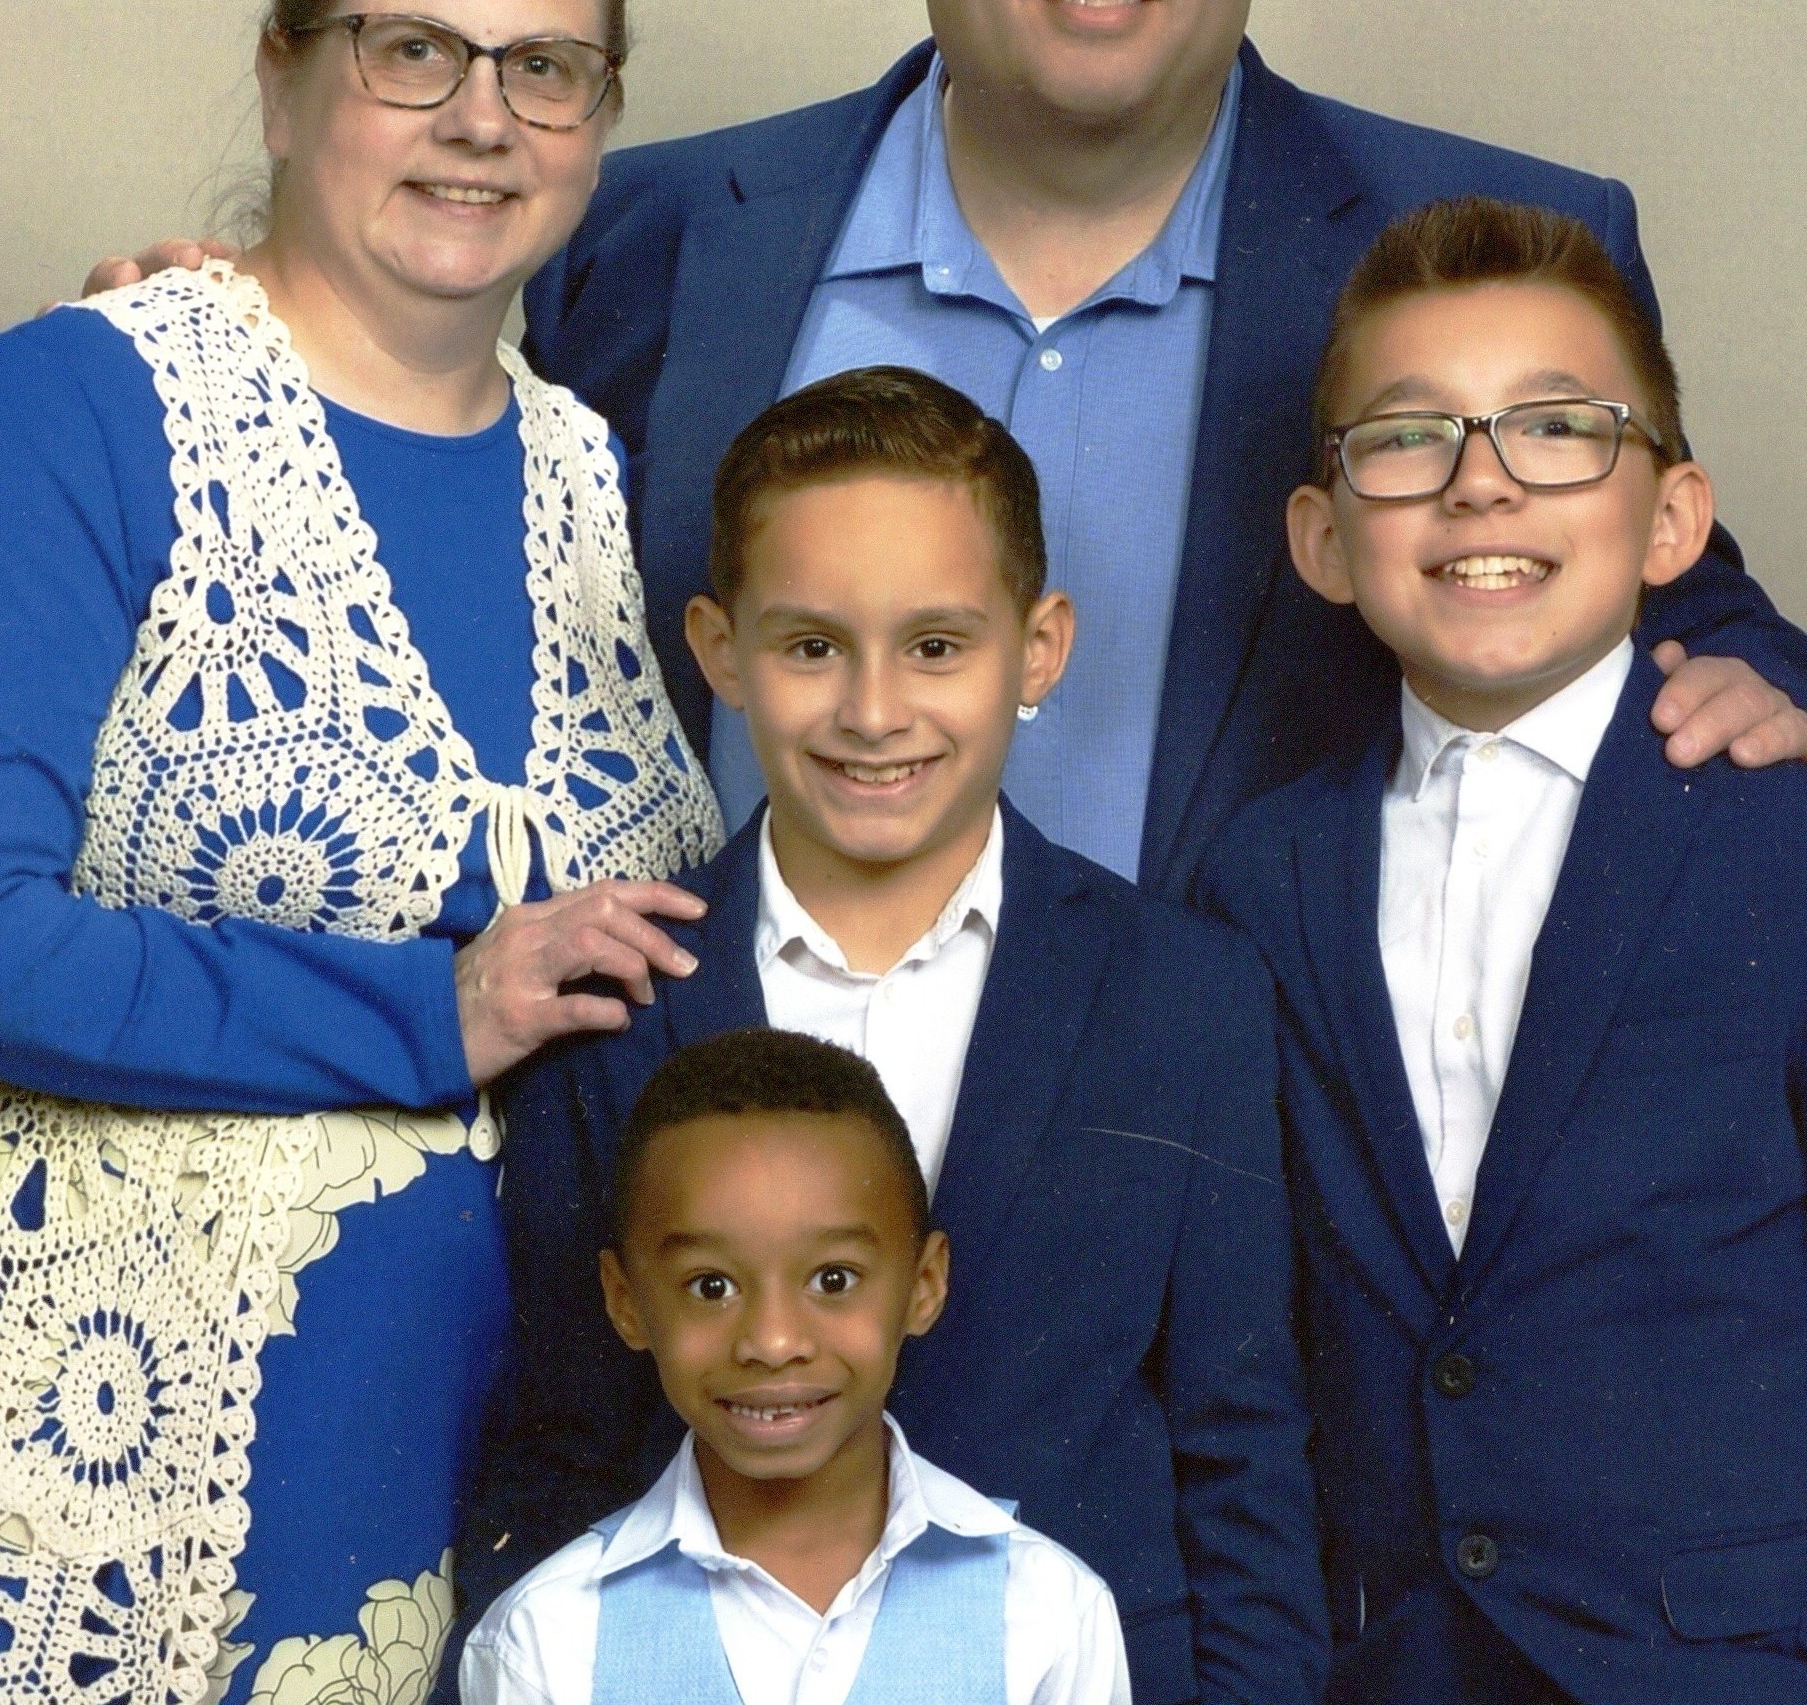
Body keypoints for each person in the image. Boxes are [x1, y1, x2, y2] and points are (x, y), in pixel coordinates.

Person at [91, 0, 1807, 902]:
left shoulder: (1468, 250)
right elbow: (406, 500)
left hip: (1232, 1206)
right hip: (724, 1198)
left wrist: (1755, 696)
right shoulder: (638, 234)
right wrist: (239, 355)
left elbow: (1694, 612)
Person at [0, 0, 723, 1705]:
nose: (480, 119)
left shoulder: (600, 475)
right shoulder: (89, 399)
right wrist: (430, 1009)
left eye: (543, 67)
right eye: (412, 49)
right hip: (130, 1484)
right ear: (282, 73)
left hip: (516, 1509)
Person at [464, 367, 1326, 1704]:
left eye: (936, 646)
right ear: (719, 648)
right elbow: (558, 1441)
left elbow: (1243, 1456)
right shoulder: (618, 998)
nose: (873, 711)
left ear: (1039, 648)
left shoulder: (1184, 992)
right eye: (812, 647)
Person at [1196, 197, 1807, 1703]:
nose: (1481, 483)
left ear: (1673, 520)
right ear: (1324, 539)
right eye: (1409, 438)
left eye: (1555, 429)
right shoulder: (1258, 881)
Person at [461, 1026, 1131, 1705]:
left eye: (834, 1279)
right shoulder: (548, 1638)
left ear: (924, 1285)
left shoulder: (1047, 1613)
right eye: (711, 1286)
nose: (774, 1341)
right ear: (626, 1302)